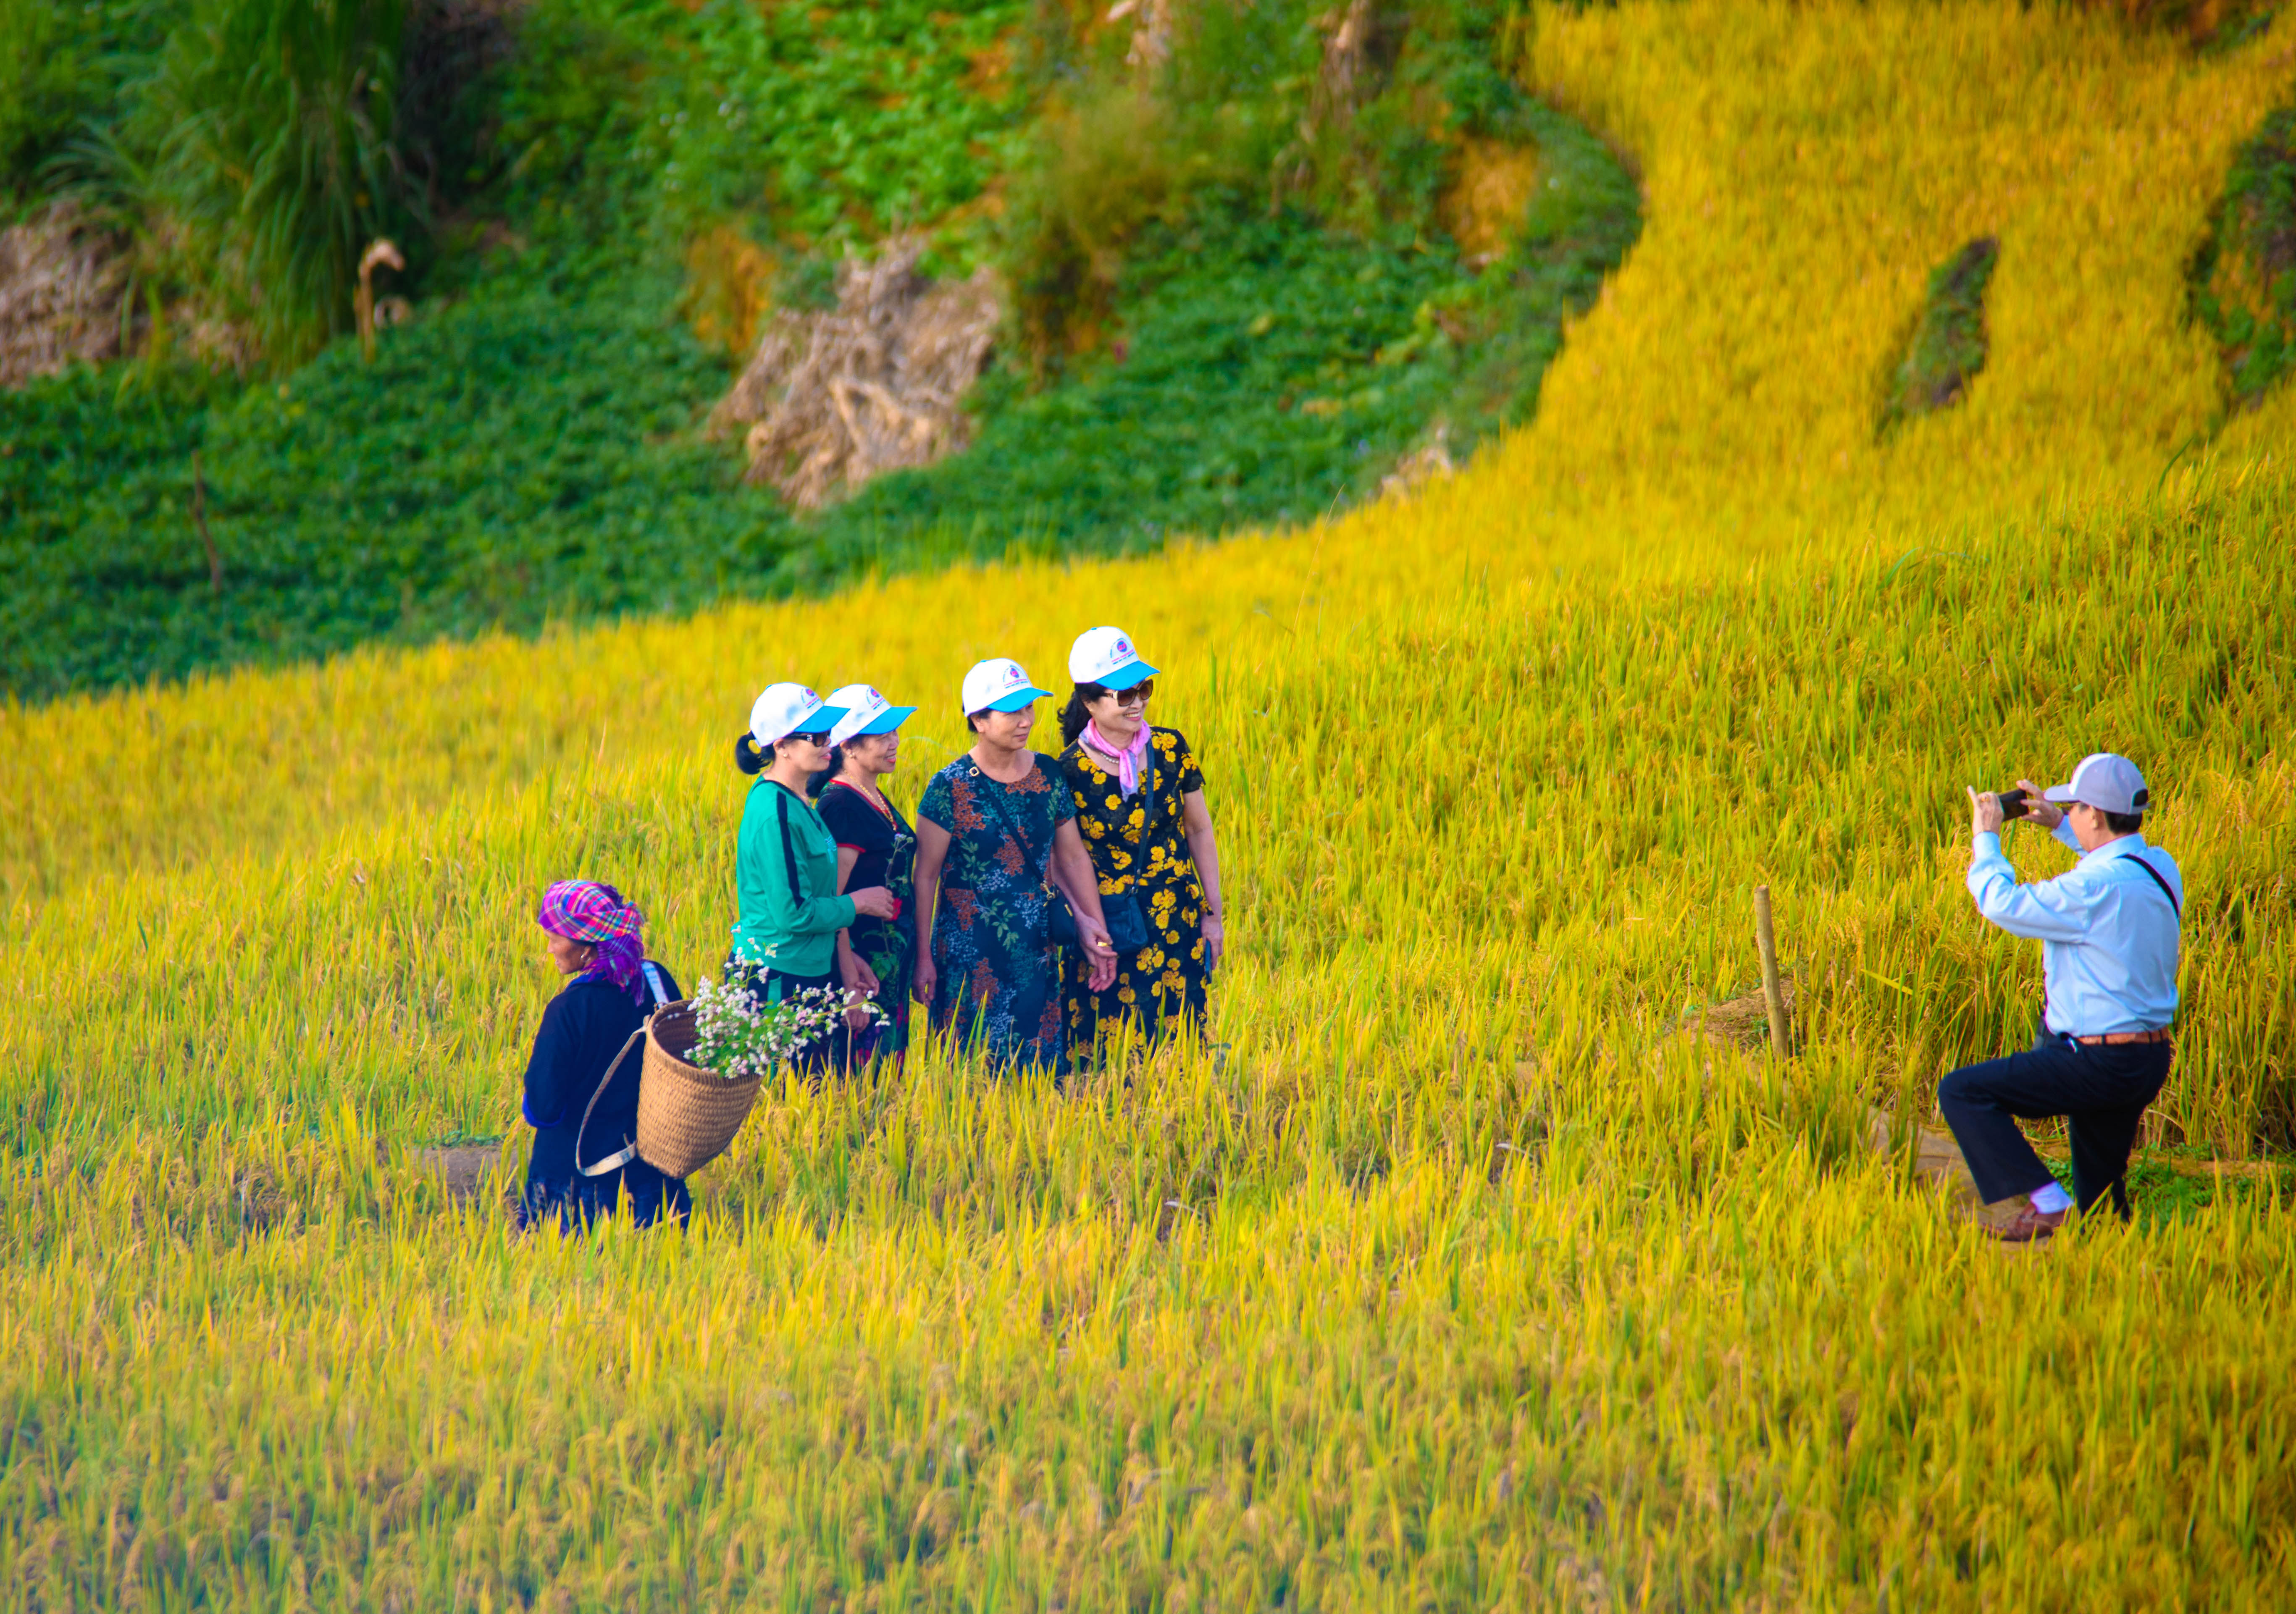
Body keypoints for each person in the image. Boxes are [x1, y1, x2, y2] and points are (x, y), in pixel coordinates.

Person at [1939, 754, 2183, 1243]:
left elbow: (2001, 903)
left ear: (2095, 814)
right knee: (2102, 1210)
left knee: (1963, 1092)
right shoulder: (2160, 867)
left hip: (2099, 1063)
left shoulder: (2092, 888)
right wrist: (2059, 826)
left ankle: (2049, 1204)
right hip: (2147, 1058)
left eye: (2074, 807)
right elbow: (2117, 856)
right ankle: (2115, 1271)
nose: (2068, 813)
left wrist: (1987, 838)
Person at [912, 657, 1119, 1073]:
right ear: (979, 721)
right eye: (1013, 711)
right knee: (971, 1070)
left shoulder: (1048, 774)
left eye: (1029, 707)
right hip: (968, 955)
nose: (1026, 719)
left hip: (1034, 948)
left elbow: (1072, 856)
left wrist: (1096, 931)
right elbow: (925, 877)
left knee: (1039, 1071)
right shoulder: (949, 787)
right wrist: (924, 956)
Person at [1054, 625, 1226, 1054]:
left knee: (1183, 1041)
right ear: (1089, 701)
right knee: (1110, 1048)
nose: (1140, 703)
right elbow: (1061, 861)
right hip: (1111, 927)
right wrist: (1085, 924)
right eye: (1124, 695)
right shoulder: (1067, 772)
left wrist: (1214, 914)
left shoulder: (1170, 748)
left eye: (1143, 689)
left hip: (1177, 920)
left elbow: (1200, 829)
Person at [729, 682, 899, 1079]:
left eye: (829, 733)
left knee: (820, 1098)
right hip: (780, 981)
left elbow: (818, 892)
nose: (829, 743)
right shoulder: (775, 811)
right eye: (816, 736)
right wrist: (859, 903)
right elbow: (793, 913)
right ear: (781, 745)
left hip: (809, 972)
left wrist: (847, 961)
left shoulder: (798, 801)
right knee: (788, 1106)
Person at [520, 879, 688, 1231]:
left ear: (586, 946)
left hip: (576, 1187)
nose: (549, 948)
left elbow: (543, 1108)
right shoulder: (656, 981)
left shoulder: (567, 1011)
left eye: (556, 938)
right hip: (652, 1185)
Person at [812, 682, 919, 1070]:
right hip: (863, 971)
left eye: (894, 731)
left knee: (886, 1080)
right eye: (880, 734)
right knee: (859, 1084)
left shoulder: (871, 794)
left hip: (889, 968)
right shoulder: (840, 804)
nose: (894, 742)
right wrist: (849, 985)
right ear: (848, 745)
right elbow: (833, 900)